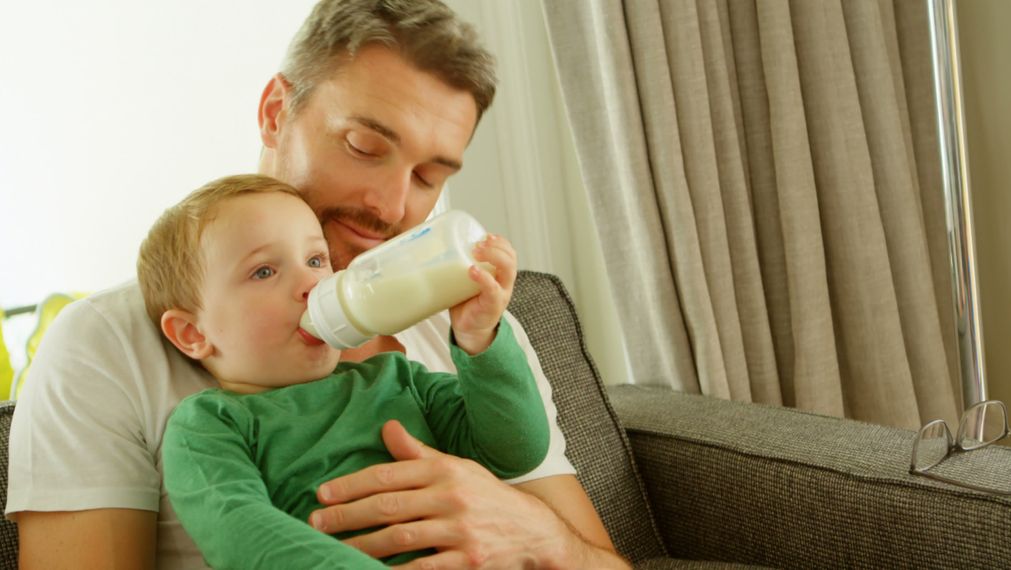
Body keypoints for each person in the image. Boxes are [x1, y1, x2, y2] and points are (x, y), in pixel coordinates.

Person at [6, 1, 629, 568]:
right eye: (364, 146)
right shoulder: (105, 349)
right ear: (277, 113)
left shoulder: (470, 333)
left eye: (428, 177)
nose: (391, 207)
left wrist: (534, 534)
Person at [142, 174, 548, 568]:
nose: (311, 284)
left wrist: (481, 339)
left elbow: (515, 451)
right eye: (264, 271)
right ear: (192, 332)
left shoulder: (400, 379)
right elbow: (242, 534)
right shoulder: (209, 426)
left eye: (316, 260)